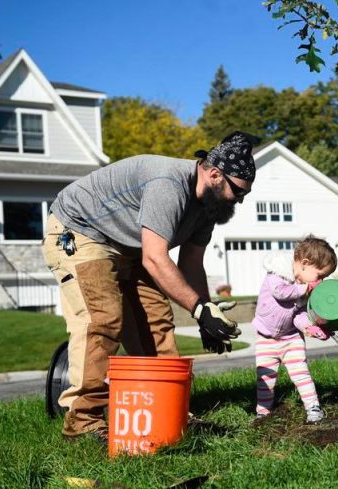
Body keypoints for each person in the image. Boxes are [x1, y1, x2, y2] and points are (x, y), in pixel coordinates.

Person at [42, 131, 259, 443]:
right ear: (214, 174)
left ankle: (167, 410)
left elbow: (191, 264)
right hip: (80, 232)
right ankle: (83, 423)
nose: (239, 200)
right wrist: (198, 309)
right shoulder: (168, 185)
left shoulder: (209, 207)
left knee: (156, 322)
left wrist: (205, 315)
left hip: (128, 246)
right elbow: (156, 259)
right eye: (238, 191)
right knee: (102, 320)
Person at [252, 236, 337, 424]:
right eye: (320, 276)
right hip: (266, 339)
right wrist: (304, 288)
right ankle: (263, 413)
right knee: (265, 377)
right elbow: (280, 293)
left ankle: (313, 408)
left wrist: (308, 326)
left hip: (291, 338)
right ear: (305, 264)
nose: (320, 281)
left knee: (300, 373)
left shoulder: (302, 288)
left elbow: (297, 313)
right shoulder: (278, 273)